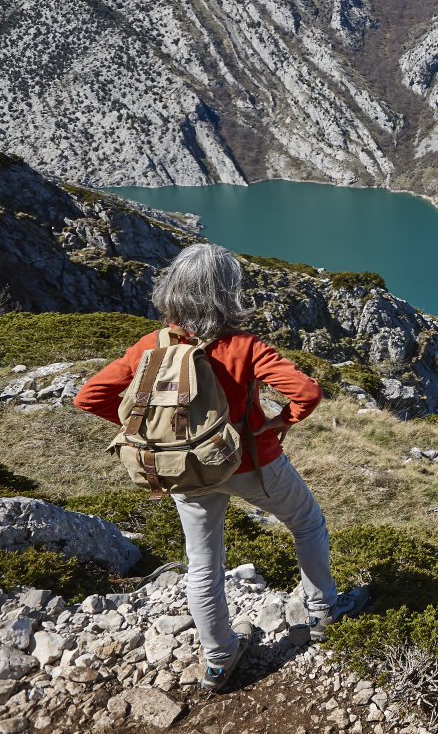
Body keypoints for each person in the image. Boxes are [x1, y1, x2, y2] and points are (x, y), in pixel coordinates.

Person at [74, 243, 365, 691]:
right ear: (228, 292)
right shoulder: (243, 346)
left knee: (203, 564)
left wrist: (149, 432)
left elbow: (88, 397)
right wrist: (279, 423)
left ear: (173, 289)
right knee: (306, 522)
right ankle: (324, 611)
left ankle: (218, 656)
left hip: (184, 470)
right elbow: (306, 391)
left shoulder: (150, 346)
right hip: (252, 464)